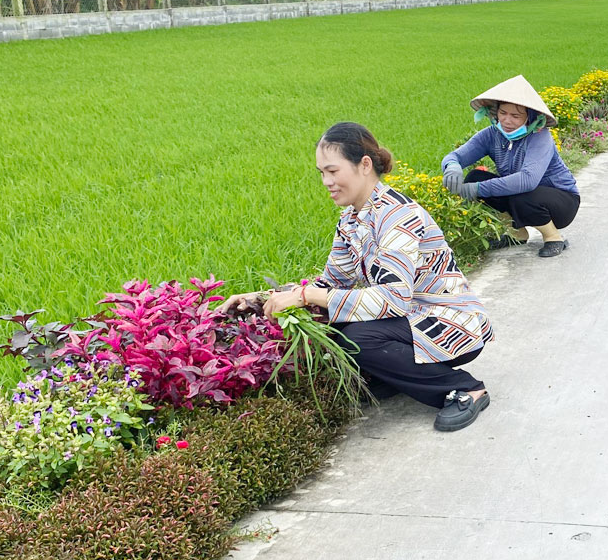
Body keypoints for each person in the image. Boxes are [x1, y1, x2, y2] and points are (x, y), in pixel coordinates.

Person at [225, 122, 494, 431]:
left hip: (449, 321)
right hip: (411, 318)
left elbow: (393, 298)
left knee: (358, 338)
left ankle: (463, 388)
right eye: (321, 173)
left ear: (364, 165)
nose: (326, 181)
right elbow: (329, 284)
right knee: (336, 319)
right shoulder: (352, 218)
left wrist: (306, 296)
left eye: (333, 171)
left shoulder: (397, 216)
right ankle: (397, 378)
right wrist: (260, 298)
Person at [442, 75, 580, 258]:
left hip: (561, 202)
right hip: (522, 192)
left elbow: (527, 180)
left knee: (519, 194)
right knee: (475, 176)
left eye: (515, 116)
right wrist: (452, 166)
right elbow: (456, 156)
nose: (507, 120)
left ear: (529, 118)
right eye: (503, 113)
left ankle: (553, 237)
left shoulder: (540, 137)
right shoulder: (492, 134)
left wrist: (478, 189)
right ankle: (517, 234)